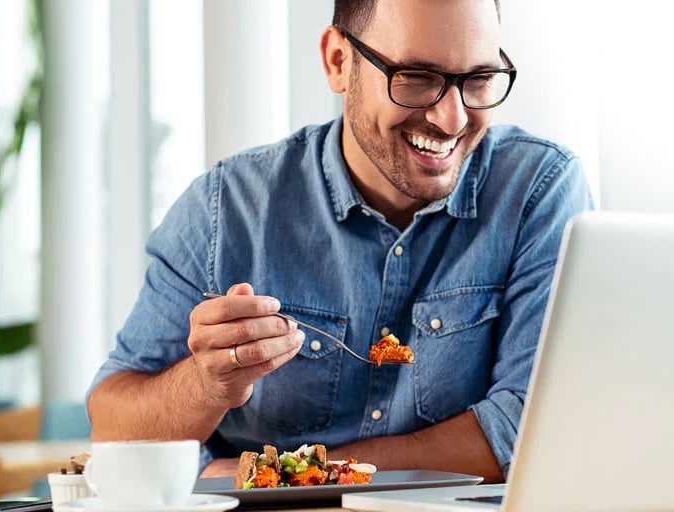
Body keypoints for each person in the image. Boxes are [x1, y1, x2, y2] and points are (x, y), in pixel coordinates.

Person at [86, 0, 591, 483]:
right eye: (416, 78)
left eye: (479, 79)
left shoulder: (539, 189)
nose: (452, 119)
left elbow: (530, 425)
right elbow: (112, 433)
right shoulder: (226, 209)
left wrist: (281, 478)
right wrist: (208, 383)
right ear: (338, 62)